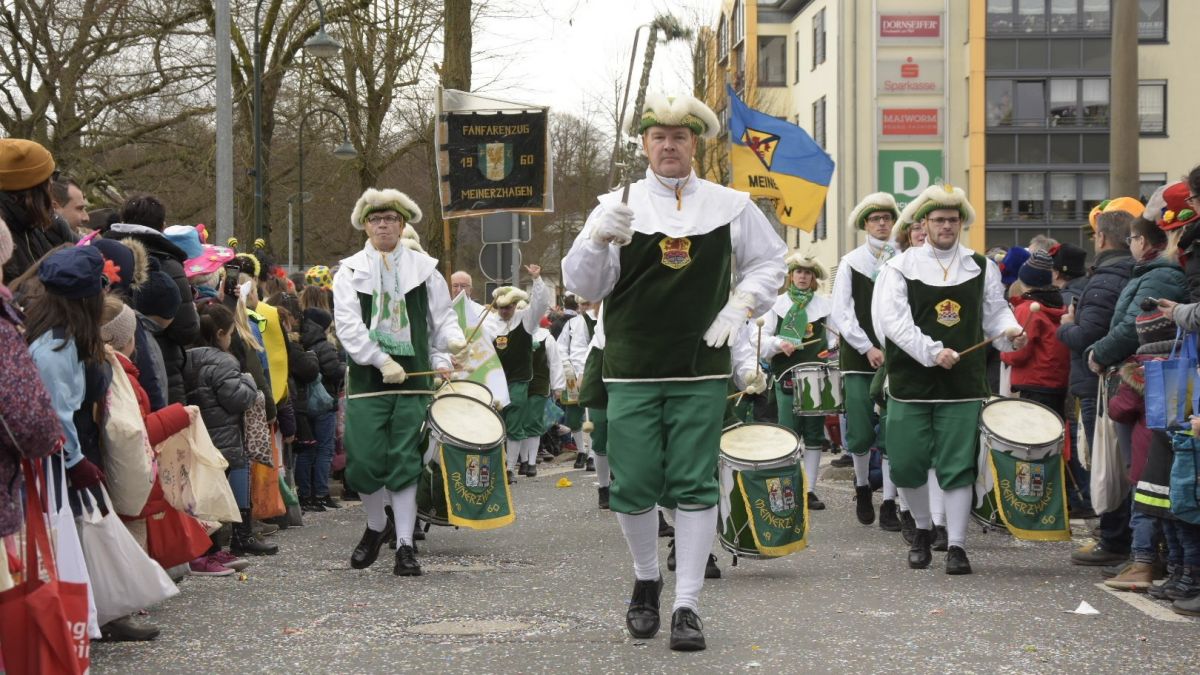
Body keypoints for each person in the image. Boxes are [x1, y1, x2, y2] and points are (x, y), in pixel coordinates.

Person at [562, 91, 786, 651]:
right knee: (633, 484)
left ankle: (687, 604)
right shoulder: (615, 203)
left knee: (692, 483)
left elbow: (770, 262)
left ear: (695, 144)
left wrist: (740, 307)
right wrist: (596, 238)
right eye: (658, 137)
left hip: (699, 368)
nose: (669, 146)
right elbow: (584, 287)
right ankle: (645, 579)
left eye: (679, 137)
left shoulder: (730, 204)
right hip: (632, 368)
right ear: (644, 144)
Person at [873, 184, 1025, 575]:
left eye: (952, 220)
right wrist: (931, 352)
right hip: (911, 384)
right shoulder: (900, 267)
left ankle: (956, 544)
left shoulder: (981, 265)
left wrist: (1011, 330)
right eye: (938, 220)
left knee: (958, 465)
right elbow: (894, 323)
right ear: (924, 223)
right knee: (906, 463)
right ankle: (922, 529)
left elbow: (995, 311)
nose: (945, 226)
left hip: (963, 385)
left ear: (961, 223)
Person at [333, 188, 465, 577]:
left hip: (414, 382)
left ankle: (405, 545)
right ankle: (377, 526)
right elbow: (348, 326)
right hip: (369, 380)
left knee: (405, 463)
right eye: (376, 219)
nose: (383, 225)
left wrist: (447, 350)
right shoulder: (350, 271)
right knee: (362, 461)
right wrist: (380, 359)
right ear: (366, 226)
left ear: (402, 224)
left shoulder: (426, 270)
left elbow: (440, 321)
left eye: (390, 219)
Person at [1058, 209, 1136, 560]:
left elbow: (1089, 334)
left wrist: (1066, 326)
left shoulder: (1105, 278)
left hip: (1099, 384)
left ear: (1102, 238)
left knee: (1106, 464)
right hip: (1116, 382)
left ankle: (1114, 539)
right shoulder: (1127, 272)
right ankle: (1120, 536)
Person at [184, 302, 276, 558]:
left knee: (206, 493)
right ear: (220, 334)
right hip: (225, 435)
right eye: (231, 333)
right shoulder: (224, 362)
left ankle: (208, 546)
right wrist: (248, 382)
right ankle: (240, 536)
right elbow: (236, 398)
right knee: (229, 487)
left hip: (201, 435)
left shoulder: (187, 357)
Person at [830, 192, 900, 525]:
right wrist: (867, 347)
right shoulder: (851, 262)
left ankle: (888, 500)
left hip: (897, 357)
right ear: (865, 225)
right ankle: (861, 486)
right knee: (859, 430)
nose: (883, 223)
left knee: (891, 430)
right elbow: (842, 312)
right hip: (860, 358)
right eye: (876, 219)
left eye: (887, 218)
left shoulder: (903, 259)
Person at [755, 253, 835, 510]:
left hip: (817, 376)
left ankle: (809, 490)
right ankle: (784, 491)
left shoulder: (825, 305)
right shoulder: (775, 304)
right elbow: (759, 342)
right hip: (786, 375)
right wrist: (780, 344)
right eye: (798, 272)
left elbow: (834, 338)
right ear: (791, 275)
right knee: (787, 435)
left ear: (813, 278)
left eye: (808, 273)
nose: (803, 276)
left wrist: (832, 347)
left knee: (813, 436)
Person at [485, 270, 551, 483]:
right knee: (495, 424)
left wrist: (537, 280)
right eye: (502, 307)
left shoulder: (526, 320)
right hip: (495, 381)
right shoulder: (488, 325)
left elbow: (541, 304)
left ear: (515, 305)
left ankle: (510, 468)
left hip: (518, 381)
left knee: (513, 423)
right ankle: (496, 465)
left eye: (509, 307)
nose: (506, 311)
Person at [1001, 250, 1070, 415]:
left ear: (1023, 280)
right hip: (1057, 385)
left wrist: (1003, 352)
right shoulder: (1060, 307)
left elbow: (1018, 354)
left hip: (1033, 385)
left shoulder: (1027, 310)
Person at [0, 138, 73, 281]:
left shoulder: (32, 224)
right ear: (35, 189)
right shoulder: (4, 235)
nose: (53, 183)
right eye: (51, 177)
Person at [558, 296, 596, 468]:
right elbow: (561, 346)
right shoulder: (571, 324)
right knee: (573, 418)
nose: (583, 308)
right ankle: (581, 450)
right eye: (581, 304)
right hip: (572, 376)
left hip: (593, 373)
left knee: (594, 416)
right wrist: (566, 365)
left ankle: (594, 454)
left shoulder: (598, 322)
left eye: (587, 304)